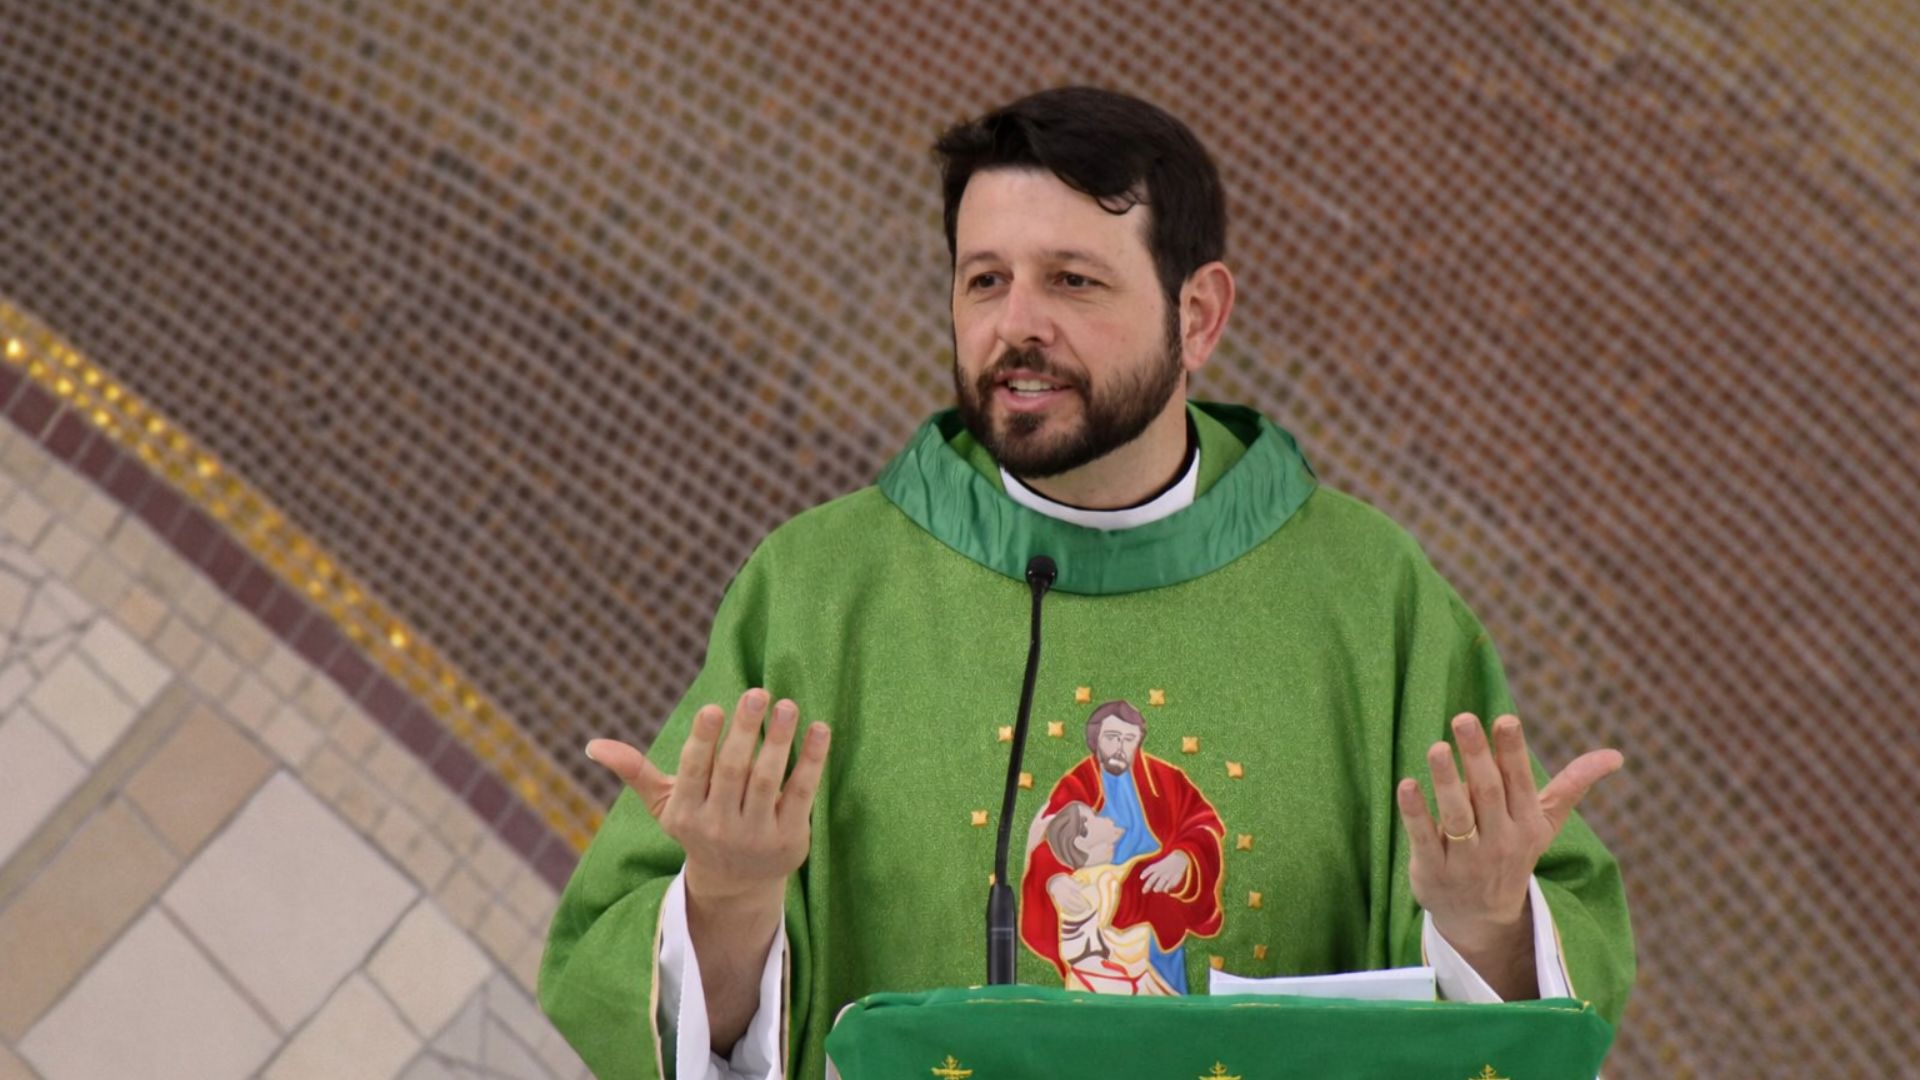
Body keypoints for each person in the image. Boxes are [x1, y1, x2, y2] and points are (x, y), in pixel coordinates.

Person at [538, 86, 1634, 1080]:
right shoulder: (821, 592)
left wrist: (1488, 925)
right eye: (985, 281)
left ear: (1197, 316)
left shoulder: (1366, 596)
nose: (1017, 324)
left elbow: (1530, 1008)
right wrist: (730, 902)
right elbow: (656, 1011)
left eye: (1072, 280)